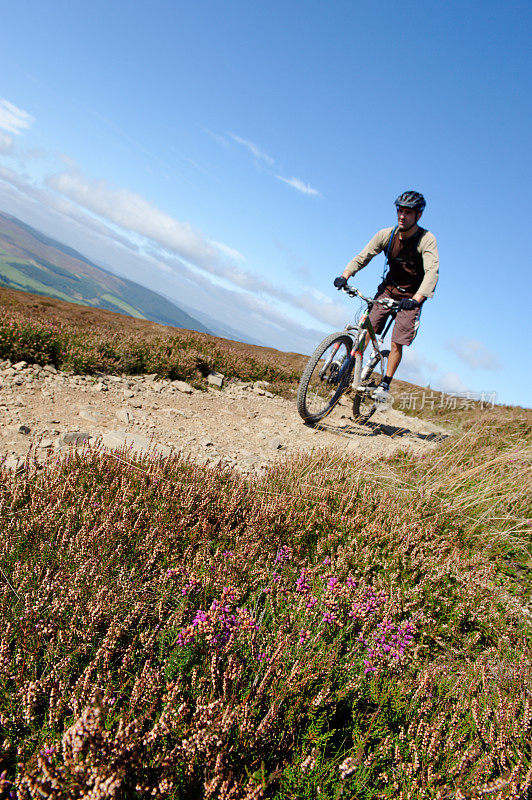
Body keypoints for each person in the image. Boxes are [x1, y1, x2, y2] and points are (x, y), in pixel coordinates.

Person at [333, 190, 439, 402]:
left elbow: (432, 272)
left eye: (408, 212)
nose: (402, 215)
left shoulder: (426, 240)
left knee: (397, 342)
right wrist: (345, 275)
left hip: (411, 297)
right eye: (400, 210)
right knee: (365, 329)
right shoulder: (386, 235)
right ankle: (348, 365)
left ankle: (385, 384)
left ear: (418, 215)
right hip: (389, 289)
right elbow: (364, 256)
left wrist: (416, 299)